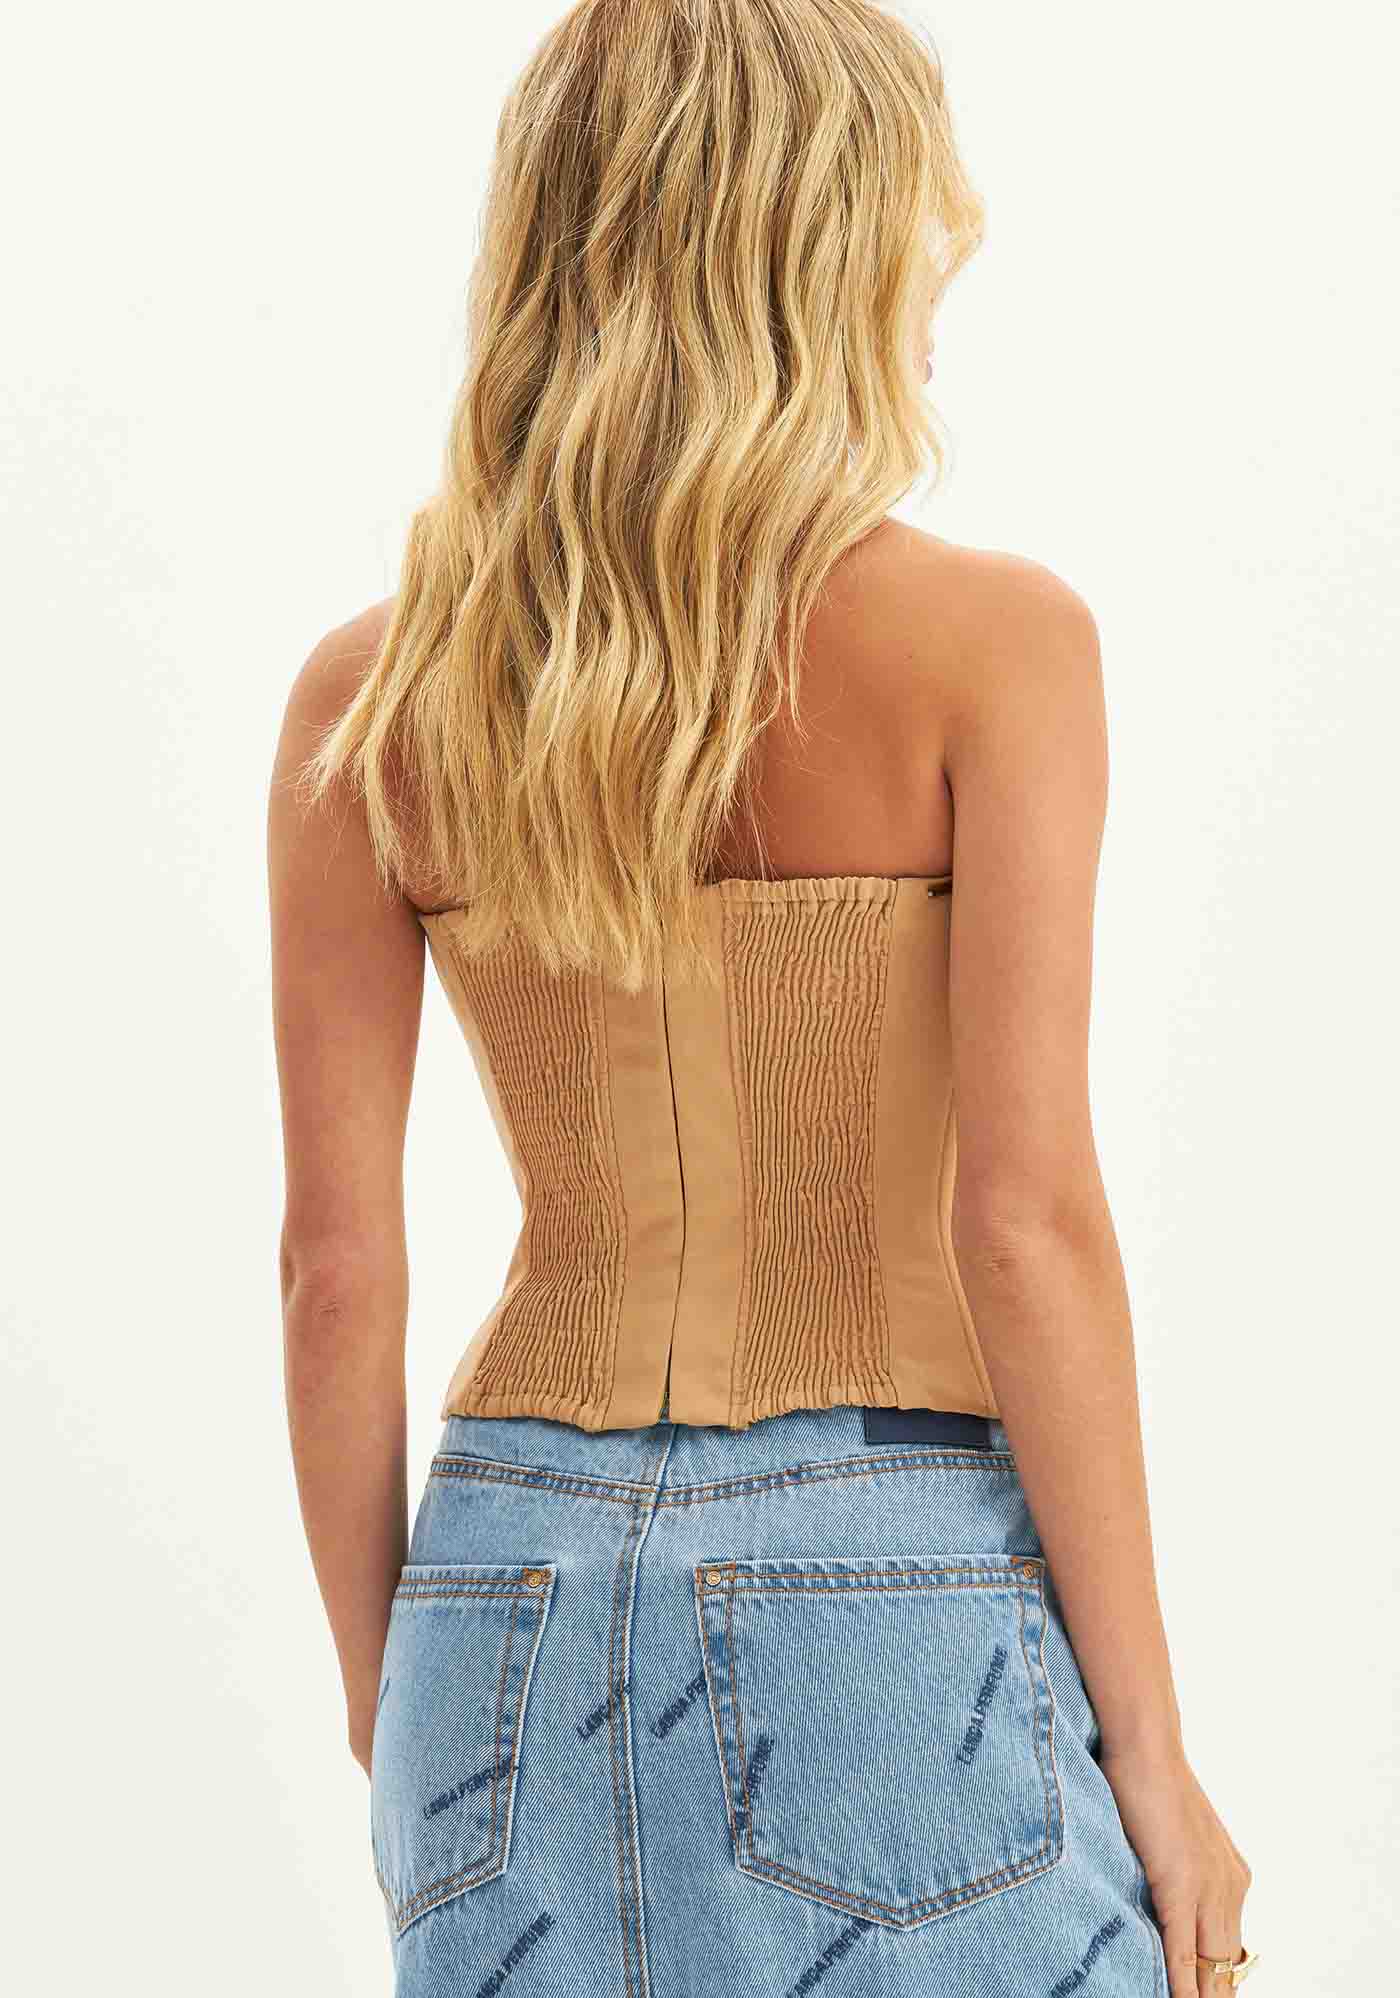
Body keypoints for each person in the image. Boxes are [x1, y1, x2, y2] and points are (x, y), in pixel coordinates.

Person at [266, 4, 1254, 1994]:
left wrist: (399, 1694)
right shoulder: (992, 650)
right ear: (828, 247)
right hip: (884, 1575)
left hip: (501, 1572)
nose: (937, 281)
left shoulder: (375, 697)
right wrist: (1150, 1755)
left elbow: (335, 1274)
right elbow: (1023, 1219)